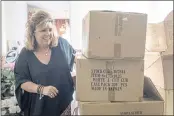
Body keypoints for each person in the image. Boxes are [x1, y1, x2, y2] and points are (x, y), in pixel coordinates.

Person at [14, 10, 76, 116]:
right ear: (33, 33)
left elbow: (75, 61)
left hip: (65, 107)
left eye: (50, 29)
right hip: (39, 108)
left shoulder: (62, 44)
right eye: (43, 30)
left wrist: (78, 77)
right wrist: (42, 89)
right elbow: (22, 81)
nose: (48, 34)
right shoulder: (25, 54)